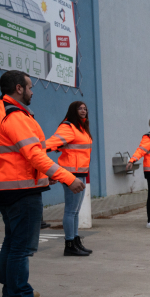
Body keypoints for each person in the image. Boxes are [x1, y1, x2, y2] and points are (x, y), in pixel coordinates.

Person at [0, 70, 85, 297]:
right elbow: (34, 155)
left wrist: (45, 177)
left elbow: (19, 157)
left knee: (11, 243)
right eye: (30, 87)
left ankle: (10, 292)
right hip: (22, 193)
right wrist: (66, 177)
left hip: (7, 189)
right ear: (19, 88)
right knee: (21, 249)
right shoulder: (15, 116)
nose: (32, 91)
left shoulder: (0, 111)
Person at [45, 101, 93, 256]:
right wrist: (39, 152)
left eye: (85, 108)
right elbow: (50, 144)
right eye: (80, 108)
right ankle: (69, 244)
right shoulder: (68, 127)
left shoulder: (81, 128)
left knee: (76, 211)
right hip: (71, 174)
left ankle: (75, 241)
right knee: (71, 211)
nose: (83, 110)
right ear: (73, 110)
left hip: (81, 173)